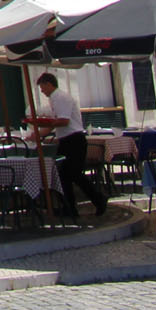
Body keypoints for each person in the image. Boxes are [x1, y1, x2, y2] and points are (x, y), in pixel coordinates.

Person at [26, 72, 107, 218]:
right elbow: (54, 124)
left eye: (43, 87)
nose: (42, 91)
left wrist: (42, 123)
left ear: (49, 84)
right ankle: (70, 207)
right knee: (63, 175)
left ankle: (97, 199)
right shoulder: (54, 100)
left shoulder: (61, 98)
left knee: (73, 173)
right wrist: (37, 134)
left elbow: (64, 121)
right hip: (65, 139)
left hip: (74, 139)